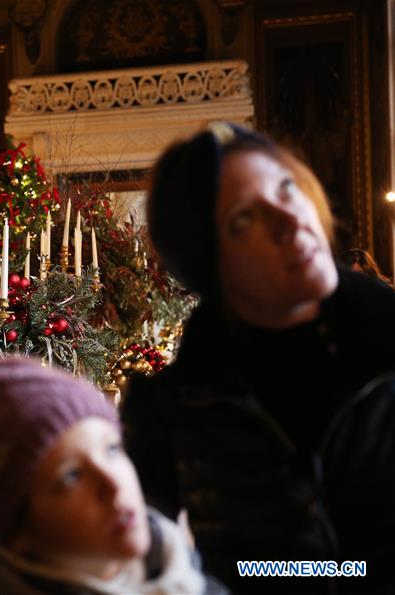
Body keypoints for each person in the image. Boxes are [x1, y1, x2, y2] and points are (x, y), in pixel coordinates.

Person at [123, 122, 395, 593]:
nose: (291, 221)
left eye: (286, 188)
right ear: (210, 265)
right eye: (245, 219)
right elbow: (125, 562)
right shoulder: (178, 407)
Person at [0, 356, 219, 594]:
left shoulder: (180, 565)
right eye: (71, 476)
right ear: (19, 530)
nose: (114, 485)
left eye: (112, 450)